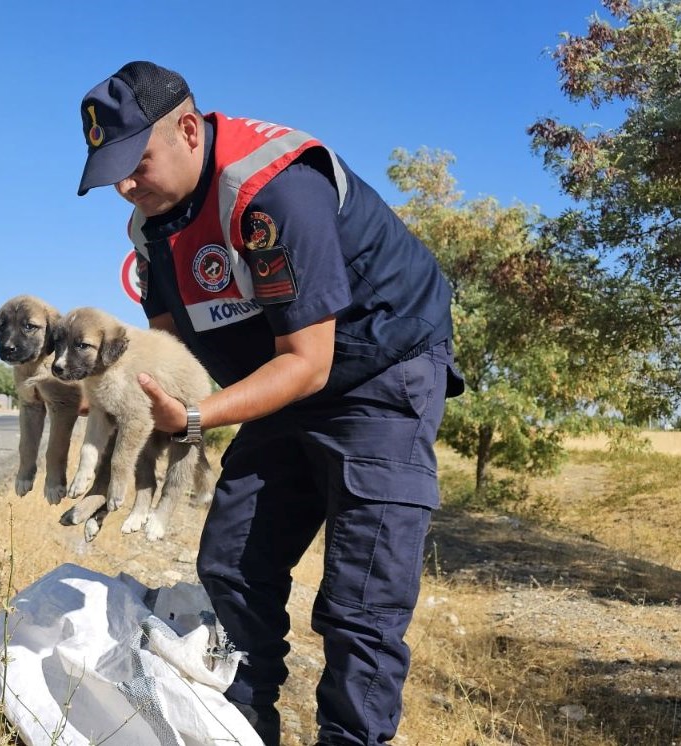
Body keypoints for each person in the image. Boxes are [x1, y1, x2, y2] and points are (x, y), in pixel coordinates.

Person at [75, 61, 465, 746]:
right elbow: (173, 357)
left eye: (134, 164)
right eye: (111, 174)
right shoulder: (152, 231)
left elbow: (308, 364)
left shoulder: (275, 190)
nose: (125, 187)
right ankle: (243, 732)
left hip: (380, 372)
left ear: (189, 131)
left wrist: (194, 419)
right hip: (280, 381)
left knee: (359, 606)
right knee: (231, 563)